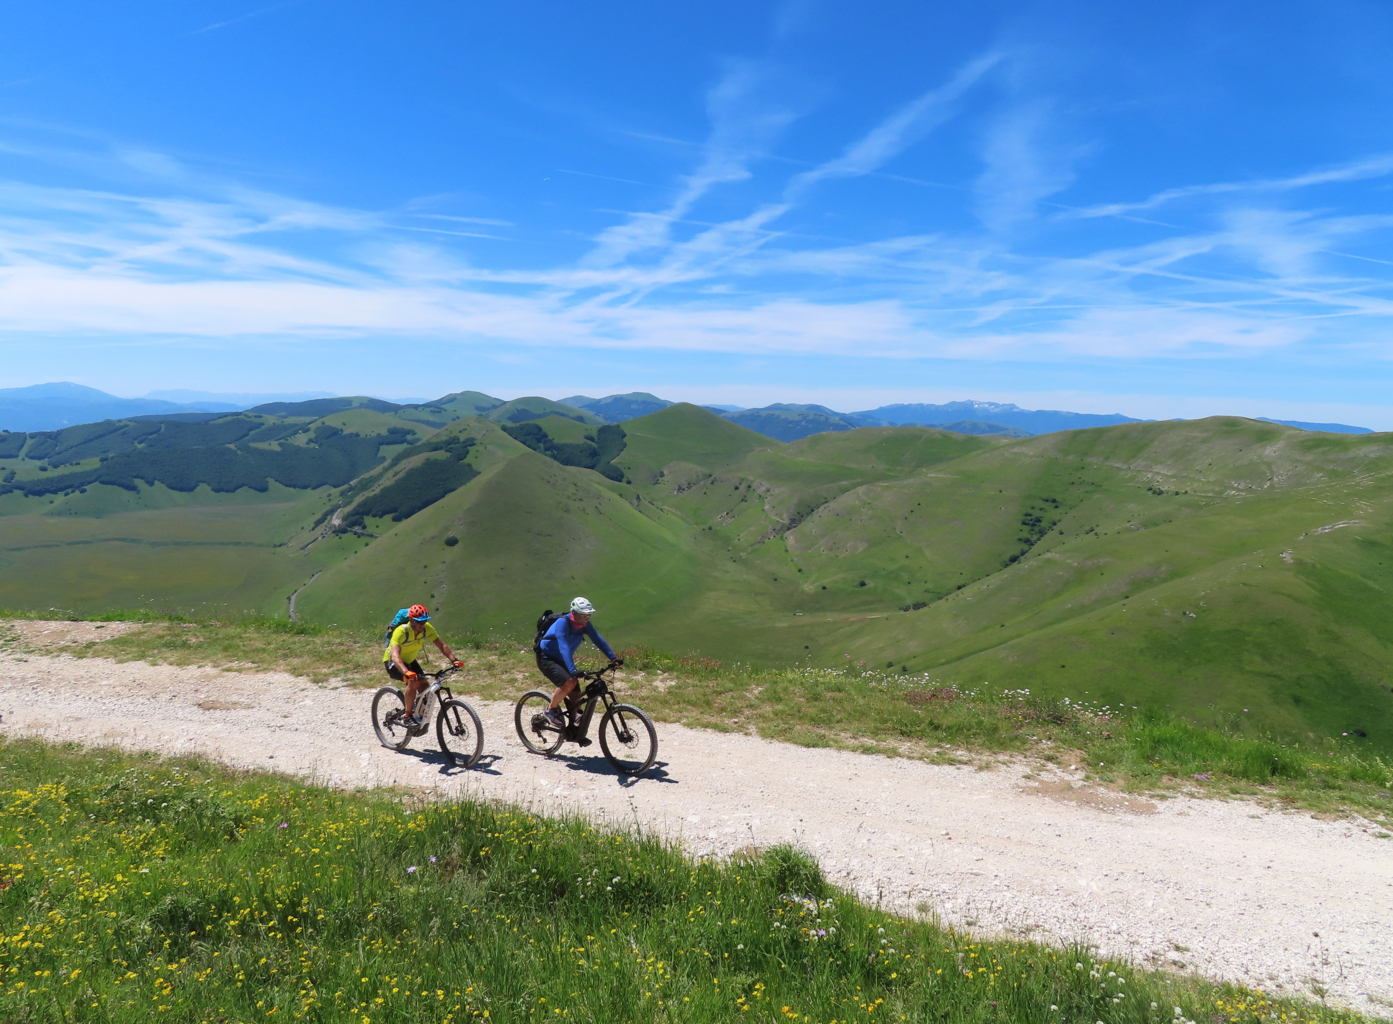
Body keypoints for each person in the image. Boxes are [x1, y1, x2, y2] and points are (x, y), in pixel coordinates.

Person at [536, 596, 621, 729]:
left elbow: (597, 640)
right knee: (569, 682)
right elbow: (563, 647)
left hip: (562, 658)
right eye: (584, 615)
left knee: (575, 689)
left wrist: (613, 658)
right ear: (574, 613)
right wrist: (573, 670)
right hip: (546, 657)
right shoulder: (562, 623)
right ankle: (551, 710)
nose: (587, 618)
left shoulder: (584, 625)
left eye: (589, 615)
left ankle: (575, 720)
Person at [382, 603, 463, 728]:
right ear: (411, 620)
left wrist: (454, 660)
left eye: (424, 621)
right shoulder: (401, 631)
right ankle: (408, 716)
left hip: (410, 660)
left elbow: (442, 645)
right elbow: (395, 656)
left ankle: (416, 715)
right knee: (412, 682)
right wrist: (406, 672)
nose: (422, 624)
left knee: (426, 689)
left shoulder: (427, 628)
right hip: (393, 662)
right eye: (419, 621)